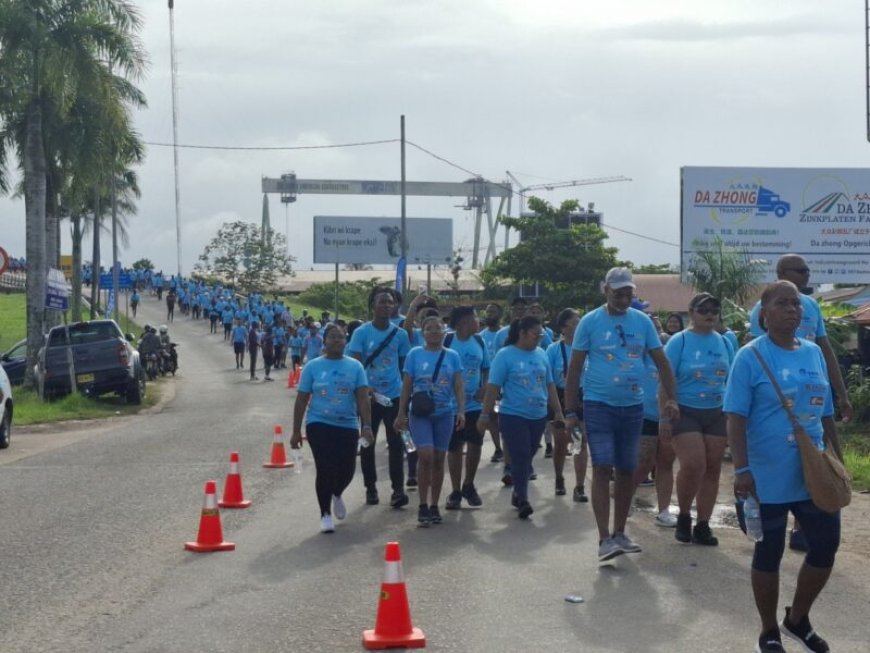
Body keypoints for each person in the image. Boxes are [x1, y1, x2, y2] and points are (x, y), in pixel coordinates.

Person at [724, 280, 843, 653]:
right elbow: (735, 418)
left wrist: (836, 460)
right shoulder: (750, 356)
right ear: (764, 314)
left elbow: (825, 413)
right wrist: (742, 470)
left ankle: (798, 619)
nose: (793, 309)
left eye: (796, 303)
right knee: (769, 552)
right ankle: (769, 630)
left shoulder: (814, 353)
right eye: (783, 303)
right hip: (766, 475)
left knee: (825, 547)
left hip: (813, 475)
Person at [564, 267, 679, 562]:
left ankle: (620, 533)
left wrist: (672, 399)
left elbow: (662, 361)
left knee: (627, 470)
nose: (624, 299)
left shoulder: (642, 322)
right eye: (618, 293)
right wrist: (570, 411)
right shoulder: (590, 322)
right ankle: (604, 539)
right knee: (603, 467)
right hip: (598, 405)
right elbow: (574, 369)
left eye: (629, 293)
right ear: (606, 291)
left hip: (633, 407)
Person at [748, 253, 853, 553]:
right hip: (778, 395)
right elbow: (759, 351)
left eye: (808, 270)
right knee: (786, 465)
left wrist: (841, 393)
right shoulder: (762, 310)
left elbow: (825, 348)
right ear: (781, 271)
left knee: (814, 462)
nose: (807, 275)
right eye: (801, 270)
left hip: (811, 388)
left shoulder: (811, 307)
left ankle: (801, 527)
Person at [660, 293, 734, 546]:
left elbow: (731, 380)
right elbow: (665, 380)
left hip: (716, 411)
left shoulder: (725, 342)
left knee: (713, 468)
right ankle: (683, 515)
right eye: (703, 310)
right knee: (693, 465)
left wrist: (732, 414)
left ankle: (703, 524)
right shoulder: (679, 341)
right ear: (691, 313)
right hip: (684, 411)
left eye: (714, 309)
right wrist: (664, 418)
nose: (710, 314)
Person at [479, 316, 564, 519]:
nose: (539, 338)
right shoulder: (505, 355)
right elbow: (493, 387)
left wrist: (558, 411)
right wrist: (485, 414)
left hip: (538, 415)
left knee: (529, 454)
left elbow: (549, 385)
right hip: (513, 414)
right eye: (536, 334)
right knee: (521, 453)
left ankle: (518, 491)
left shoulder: (541, 354)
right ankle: (523, 497)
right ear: (522, 333)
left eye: (541, 335)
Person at [290, 324, 373, 534]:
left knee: (347, 470)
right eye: (332, 337)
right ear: (324, 341)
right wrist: (296, 431)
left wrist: (367, 426)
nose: (336, 340)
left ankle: (337, 492)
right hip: (319, 424)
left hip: (347, 424)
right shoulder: (312, 367)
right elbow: (301, 399)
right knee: (325, 468)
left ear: (346, 341)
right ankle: (325, 514)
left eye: (340, 337)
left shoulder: (355, 367)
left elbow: (363, 398)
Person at [394, 315, 465, 526]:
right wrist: (401, 413)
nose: (434, 332)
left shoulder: (452, 356)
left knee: (439, 459)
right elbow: (406, 386)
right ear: (422, 333)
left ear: (445, 331)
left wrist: (461, 410)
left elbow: (458, 386)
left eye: (438, 328)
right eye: (429, 328)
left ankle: (434, 505)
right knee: (426, 455)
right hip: (420, 414)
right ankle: (422, 504)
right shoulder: (414, 354)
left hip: (445, 413)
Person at [347, 287, 412, 509]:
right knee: (368, 441)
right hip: (369, 398)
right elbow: (356, 365)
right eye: (382, 302)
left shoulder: (400, 335)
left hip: (393, 396)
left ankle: (398, 490)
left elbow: (404, 368)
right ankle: (371, 488)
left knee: (396, 443)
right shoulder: (361, 333)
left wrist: (405, 396)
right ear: (372, 306)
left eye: (390, 302)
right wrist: (366, 390)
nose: (386, 306)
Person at [442, 306, 490, 510]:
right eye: (475, 318)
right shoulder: (447, 340)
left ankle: (468, 484)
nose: (478, 321)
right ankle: (455, 491)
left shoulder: (479, 341)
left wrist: (484, 387)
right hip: (450, 405)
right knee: (454, 447)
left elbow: (486, 367)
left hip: (474, 404)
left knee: (475, 442)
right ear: (463, 322)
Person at [546, 308, 589, 502]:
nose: (579, 325)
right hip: (560, 397)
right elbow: (548, 379)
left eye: (580, 321)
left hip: (582, 397)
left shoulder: (588, 348)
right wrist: (554, 407)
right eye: (575, 322)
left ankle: (579, 486)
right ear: (564, 328)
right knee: (561, 443)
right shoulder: (553, 350)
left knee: (580, 442)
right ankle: (559, 477)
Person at [478, 303, 505, 463]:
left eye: (493, 311)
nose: (489, 314)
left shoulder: (505, 334)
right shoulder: (480, 337)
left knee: (506, 416)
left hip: (506, 383)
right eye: (487, 312)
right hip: (489, 383)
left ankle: (509, 447)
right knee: (492, 416)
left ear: (500, 314)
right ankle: (498, 448)